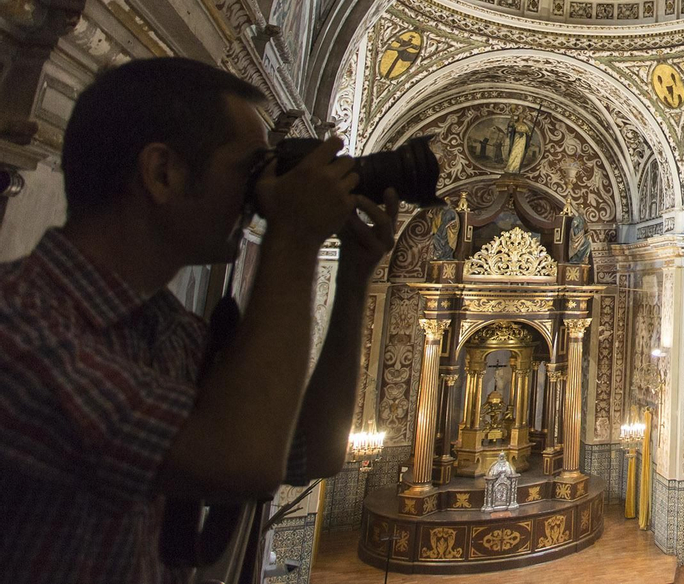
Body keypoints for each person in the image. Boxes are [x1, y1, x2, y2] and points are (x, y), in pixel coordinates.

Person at [0, 58, 399, 583]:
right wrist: (295, 234)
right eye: (250, 170)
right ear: (164, 172)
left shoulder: (167, 331)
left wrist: (353, 280)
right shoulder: (22, 328)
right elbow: (241, 462)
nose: (259, 197)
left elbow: (313, 450)